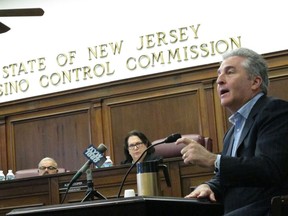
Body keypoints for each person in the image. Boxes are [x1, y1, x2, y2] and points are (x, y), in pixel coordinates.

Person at [176, 48, 288, 215]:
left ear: (255, 82)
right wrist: (210, 186)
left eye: (229, 72)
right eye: (219, 74)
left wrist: (213, 160)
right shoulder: (234, 129)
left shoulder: (274, 111)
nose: (219, 80)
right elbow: (234, 173)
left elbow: (270, 168)